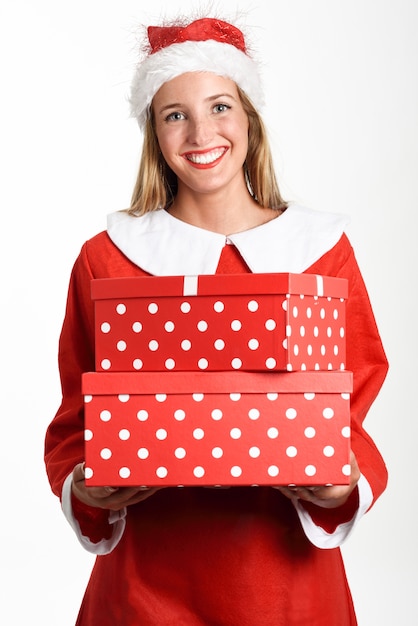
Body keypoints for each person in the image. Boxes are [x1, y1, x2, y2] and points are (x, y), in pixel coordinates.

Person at [44, 15, 388, 626]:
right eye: (175, 113)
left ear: (250, 118)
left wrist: (342, 483)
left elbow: (352, 400)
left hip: (287, 584)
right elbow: (77, 417)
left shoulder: (322, 250)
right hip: (146, 583)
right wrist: (85, 489)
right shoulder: (105, 257)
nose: (201, 131)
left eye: (220, 105)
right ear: (154, 130)